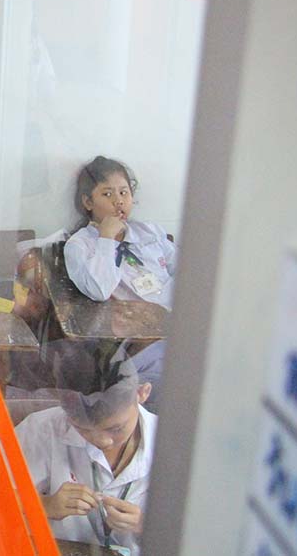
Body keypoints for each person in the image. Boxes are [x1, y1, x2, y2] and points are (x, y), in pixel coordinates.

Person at [15, 345, 155, 555]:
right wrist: (43, 505)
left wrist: (146, 525)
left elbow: (201, 532)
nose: (103, 441)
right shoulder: (41, 429)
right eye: (83, 429)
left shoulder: (173, 443)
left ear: (142, 393)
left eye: (116, 429)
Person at [63, 156, 177, 406]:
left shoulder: (150, 232)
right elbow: (100, 290)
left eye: (124, 192)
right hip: (139, 342)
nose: (119, 201)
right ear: (88, 202)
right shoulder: (80, 246)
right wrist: (106, 239)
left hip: (177, 327)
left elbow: (186, 272)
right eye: (107, 194)